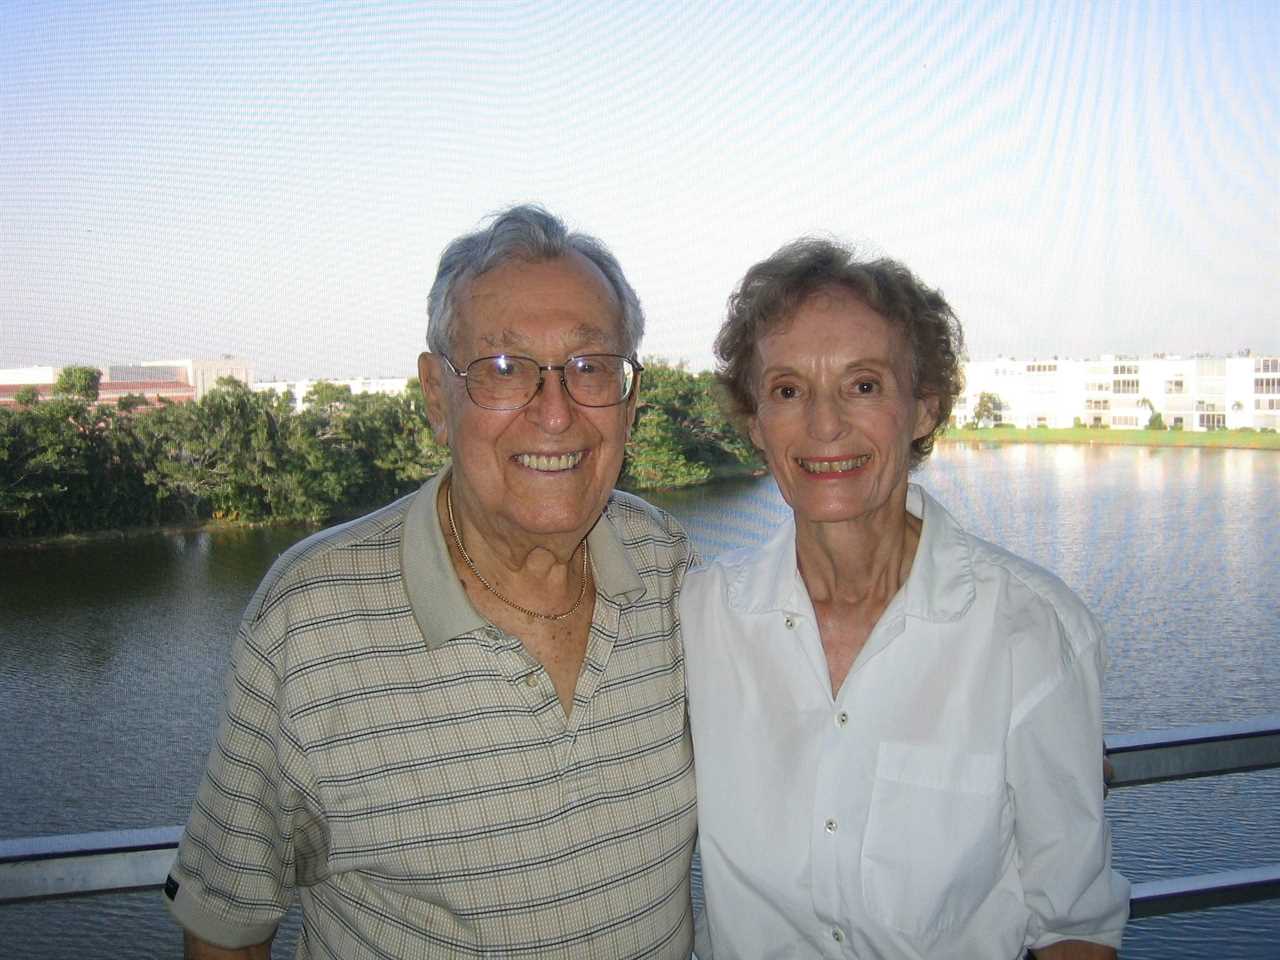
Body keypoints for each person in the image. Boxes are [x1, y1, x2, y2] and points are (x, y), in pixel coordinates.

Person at [165, 205, 697, 958]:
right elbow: (226, 928)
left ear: (630, 400)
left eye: (590, 368)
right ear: (434, 399)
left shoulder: (670, 569)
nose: (556, 413)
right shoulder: (310, 622)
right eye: (504, 370)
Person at [682, 239, 1130, 959]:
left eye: (863, 386)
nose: (824, 426)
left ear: (923, 408)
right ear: (755, 424)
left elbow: (1074, 926)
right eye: (789, 390)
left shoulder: (1029, 633)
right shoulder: (701, 620)